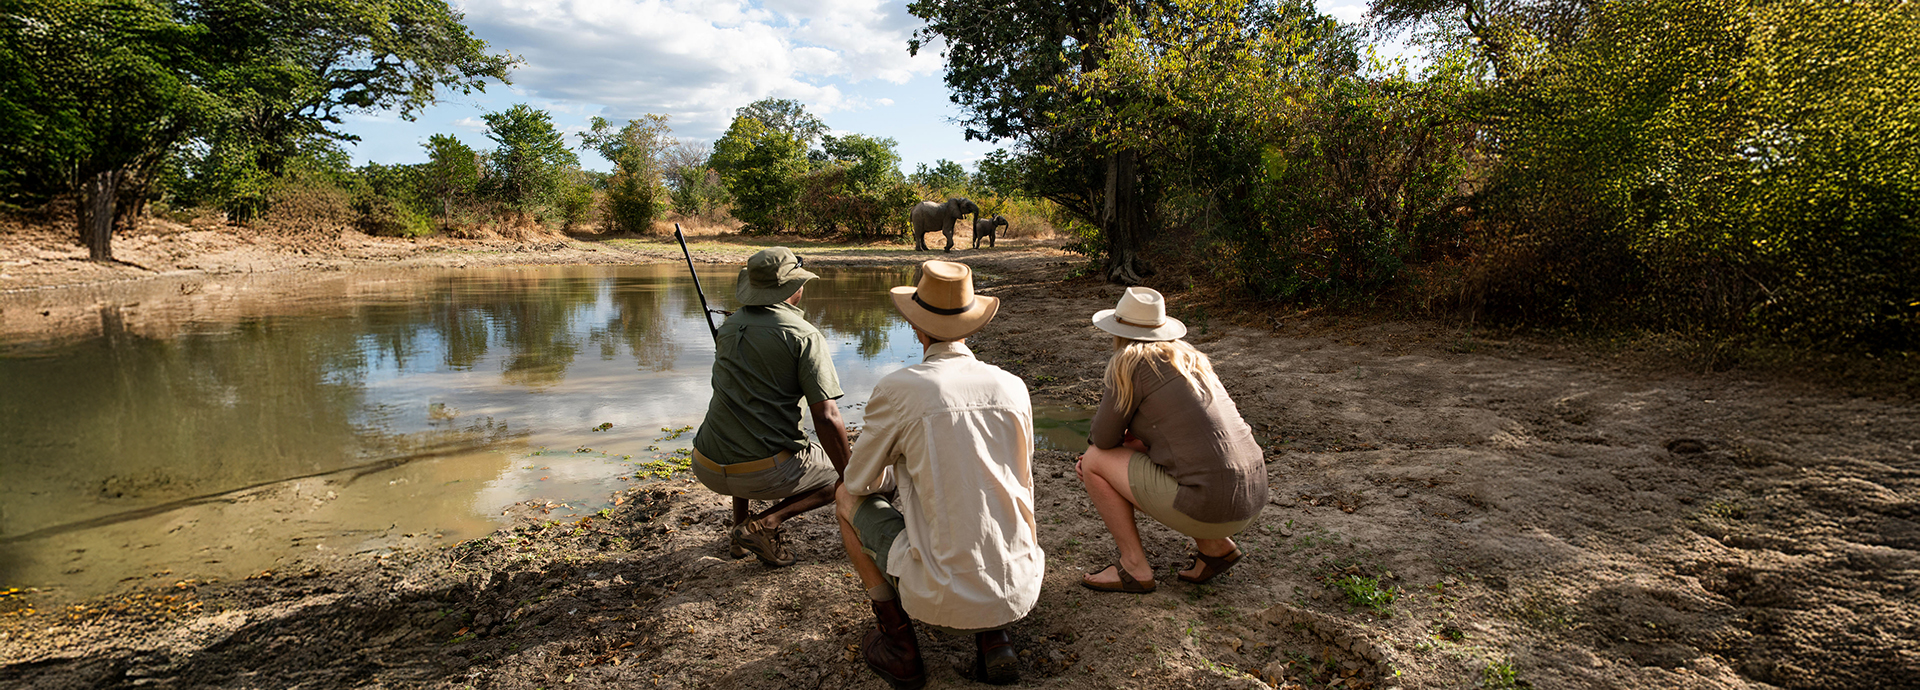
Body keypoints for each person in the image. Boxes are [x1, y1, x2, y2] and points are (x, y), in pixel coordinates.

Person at [836, 260, 1041, 688]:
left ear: (917, 328)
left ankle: (900, 647)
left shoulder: (900, 388)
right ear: (969, 326)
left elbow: (857, 482)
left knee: (844, 499)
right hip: (1019, 586)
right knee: (985, 494)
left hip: (942, 598)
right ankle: (995, 638)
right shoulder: (1012, 385)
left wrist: (892, 473)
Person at [1075, 287, 1267, 593]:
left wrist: (1126, 439)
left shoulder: (1129, 362)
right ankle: (1216, 547)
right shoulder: (1192, 358)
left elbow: (1102, 438)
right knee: (1188, 456)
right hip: (1254, 496)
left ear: (1118, 330)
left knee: (1095, 461)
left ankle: (1134, 566)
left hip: (1211, 505)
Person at [691, 247, 851, 567]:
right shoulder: (804, 335)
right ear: (795, 287)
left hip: (705, 463)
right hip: (758, 473)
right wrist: (853, 476)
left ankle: (738, 532)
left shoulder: (730, 326)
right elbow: (827, 416)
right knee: (843, 472)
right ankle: (764, 523)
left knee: (743, 423)